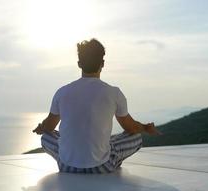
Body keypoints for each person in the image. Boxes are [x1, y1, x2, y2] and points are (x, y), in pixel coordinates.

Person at [33, 38, 161, 173]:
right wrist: (146, 127)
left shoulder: (62, 92)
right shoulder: (114, 93)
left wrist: (42, 128)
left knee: (46, 136)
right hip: (102, 167)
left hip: (67, 166)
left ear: (79, 64)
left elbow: (49, 127)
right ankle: (113, 161)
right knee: (136, 137)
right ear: (103, 63)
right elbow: (131, 128)